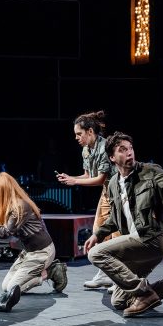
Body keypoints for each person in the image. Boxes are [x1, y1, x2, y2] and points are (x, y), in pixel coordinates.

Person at [83, 131, 163, 318]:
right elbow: (114, 218)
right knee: (119, 301)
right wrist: (97, 234)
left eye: (130, 148)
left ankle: (144, 293)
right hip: (137, 243)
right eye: (122, 150)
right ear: (112, 157)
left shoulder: (150, 171)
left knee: (95, 253)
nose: (129, 152)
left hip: (154, 237)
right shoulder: (113, 184)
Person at [0, 172, 68, 293]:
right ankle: (45, 271)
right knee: (5, 287)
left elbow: (4, 233)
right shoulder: (10, 206)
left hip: (42, 252)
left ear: (3, 192)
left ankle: (51, 272)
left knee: (12, 288)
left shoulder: (20, 207)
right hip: (29, 253)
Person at [56, 110, 119, 290]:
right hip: (107, 192)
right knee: (99, 231)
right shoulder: (86, 150)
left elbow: (100, 178)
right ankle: (105, 274)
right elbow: (88, 175)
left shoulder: (105, 147)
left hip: (119, 192)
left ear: (90, 131)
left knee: (117, 235)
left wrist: (75, 182)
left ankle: (119, 278)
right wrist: (71, 178)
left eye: (79, 134)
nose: (76, 138)